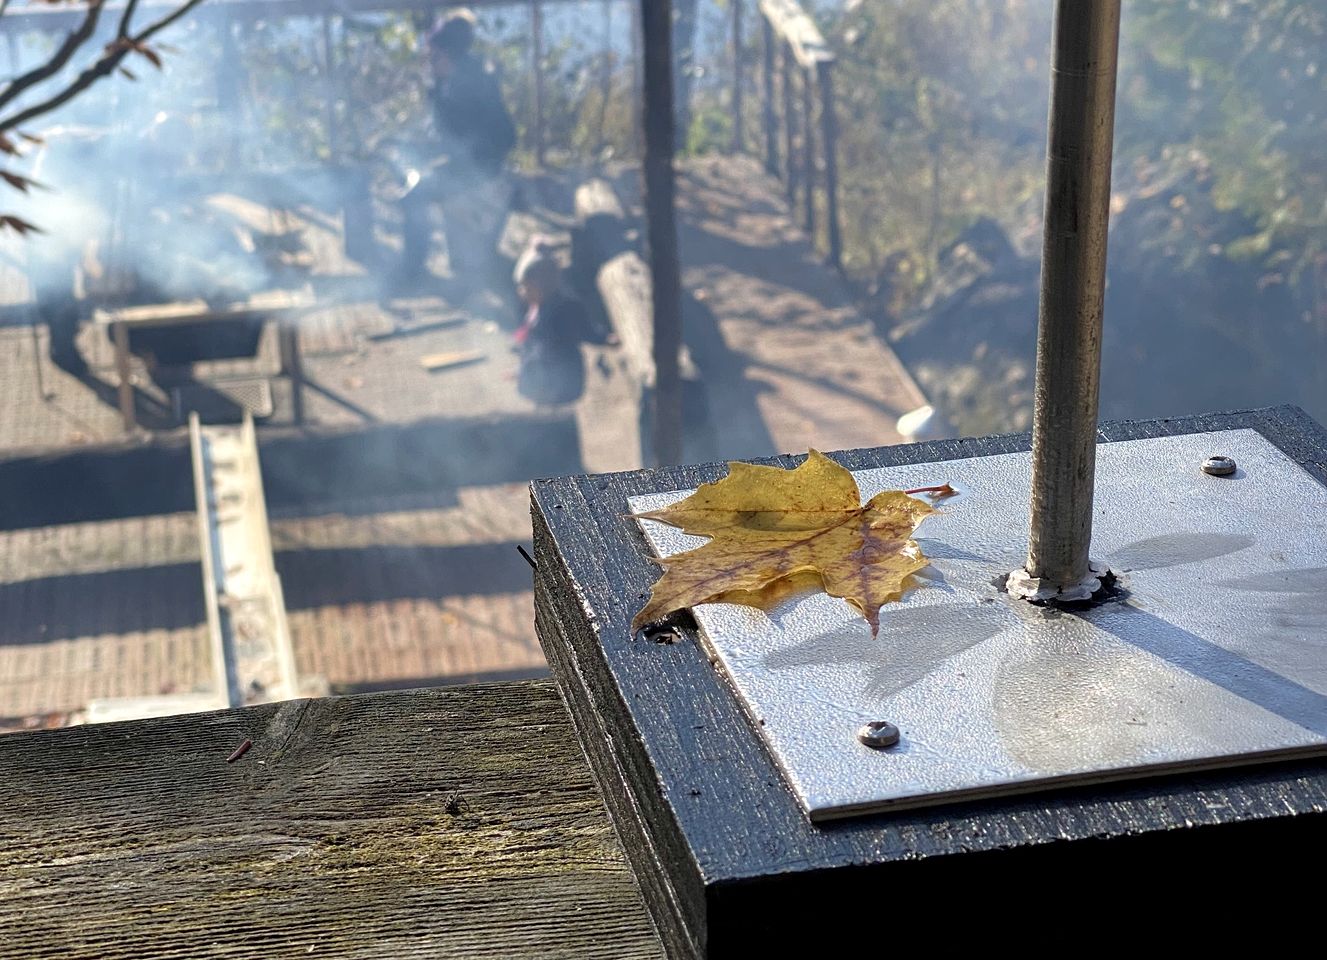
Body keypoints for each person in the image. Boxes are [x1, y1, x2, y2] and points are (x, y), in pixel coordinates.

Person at [400, 9, 517, 292]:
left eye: (433, 56)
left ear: (447, 55)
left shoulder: (470, 86)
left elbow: (474, 138)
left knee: (415, 196)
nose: (429, 62)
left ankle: (412, 269)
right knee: (417, 186)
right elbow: (447, 136)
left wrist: (434, 151)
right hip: (467, 165)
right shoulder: (451, 81)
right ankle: (418, 265)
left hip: (480, 169)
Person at [511, 238, 601, 406]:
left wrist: (603, 338)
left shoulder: (565, 309)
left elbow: (586, 332)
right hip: (542, 376)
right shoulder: (533, 309)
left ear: (542, 285)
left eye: (526, 287)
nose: (521, 292)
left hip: (561, 383)